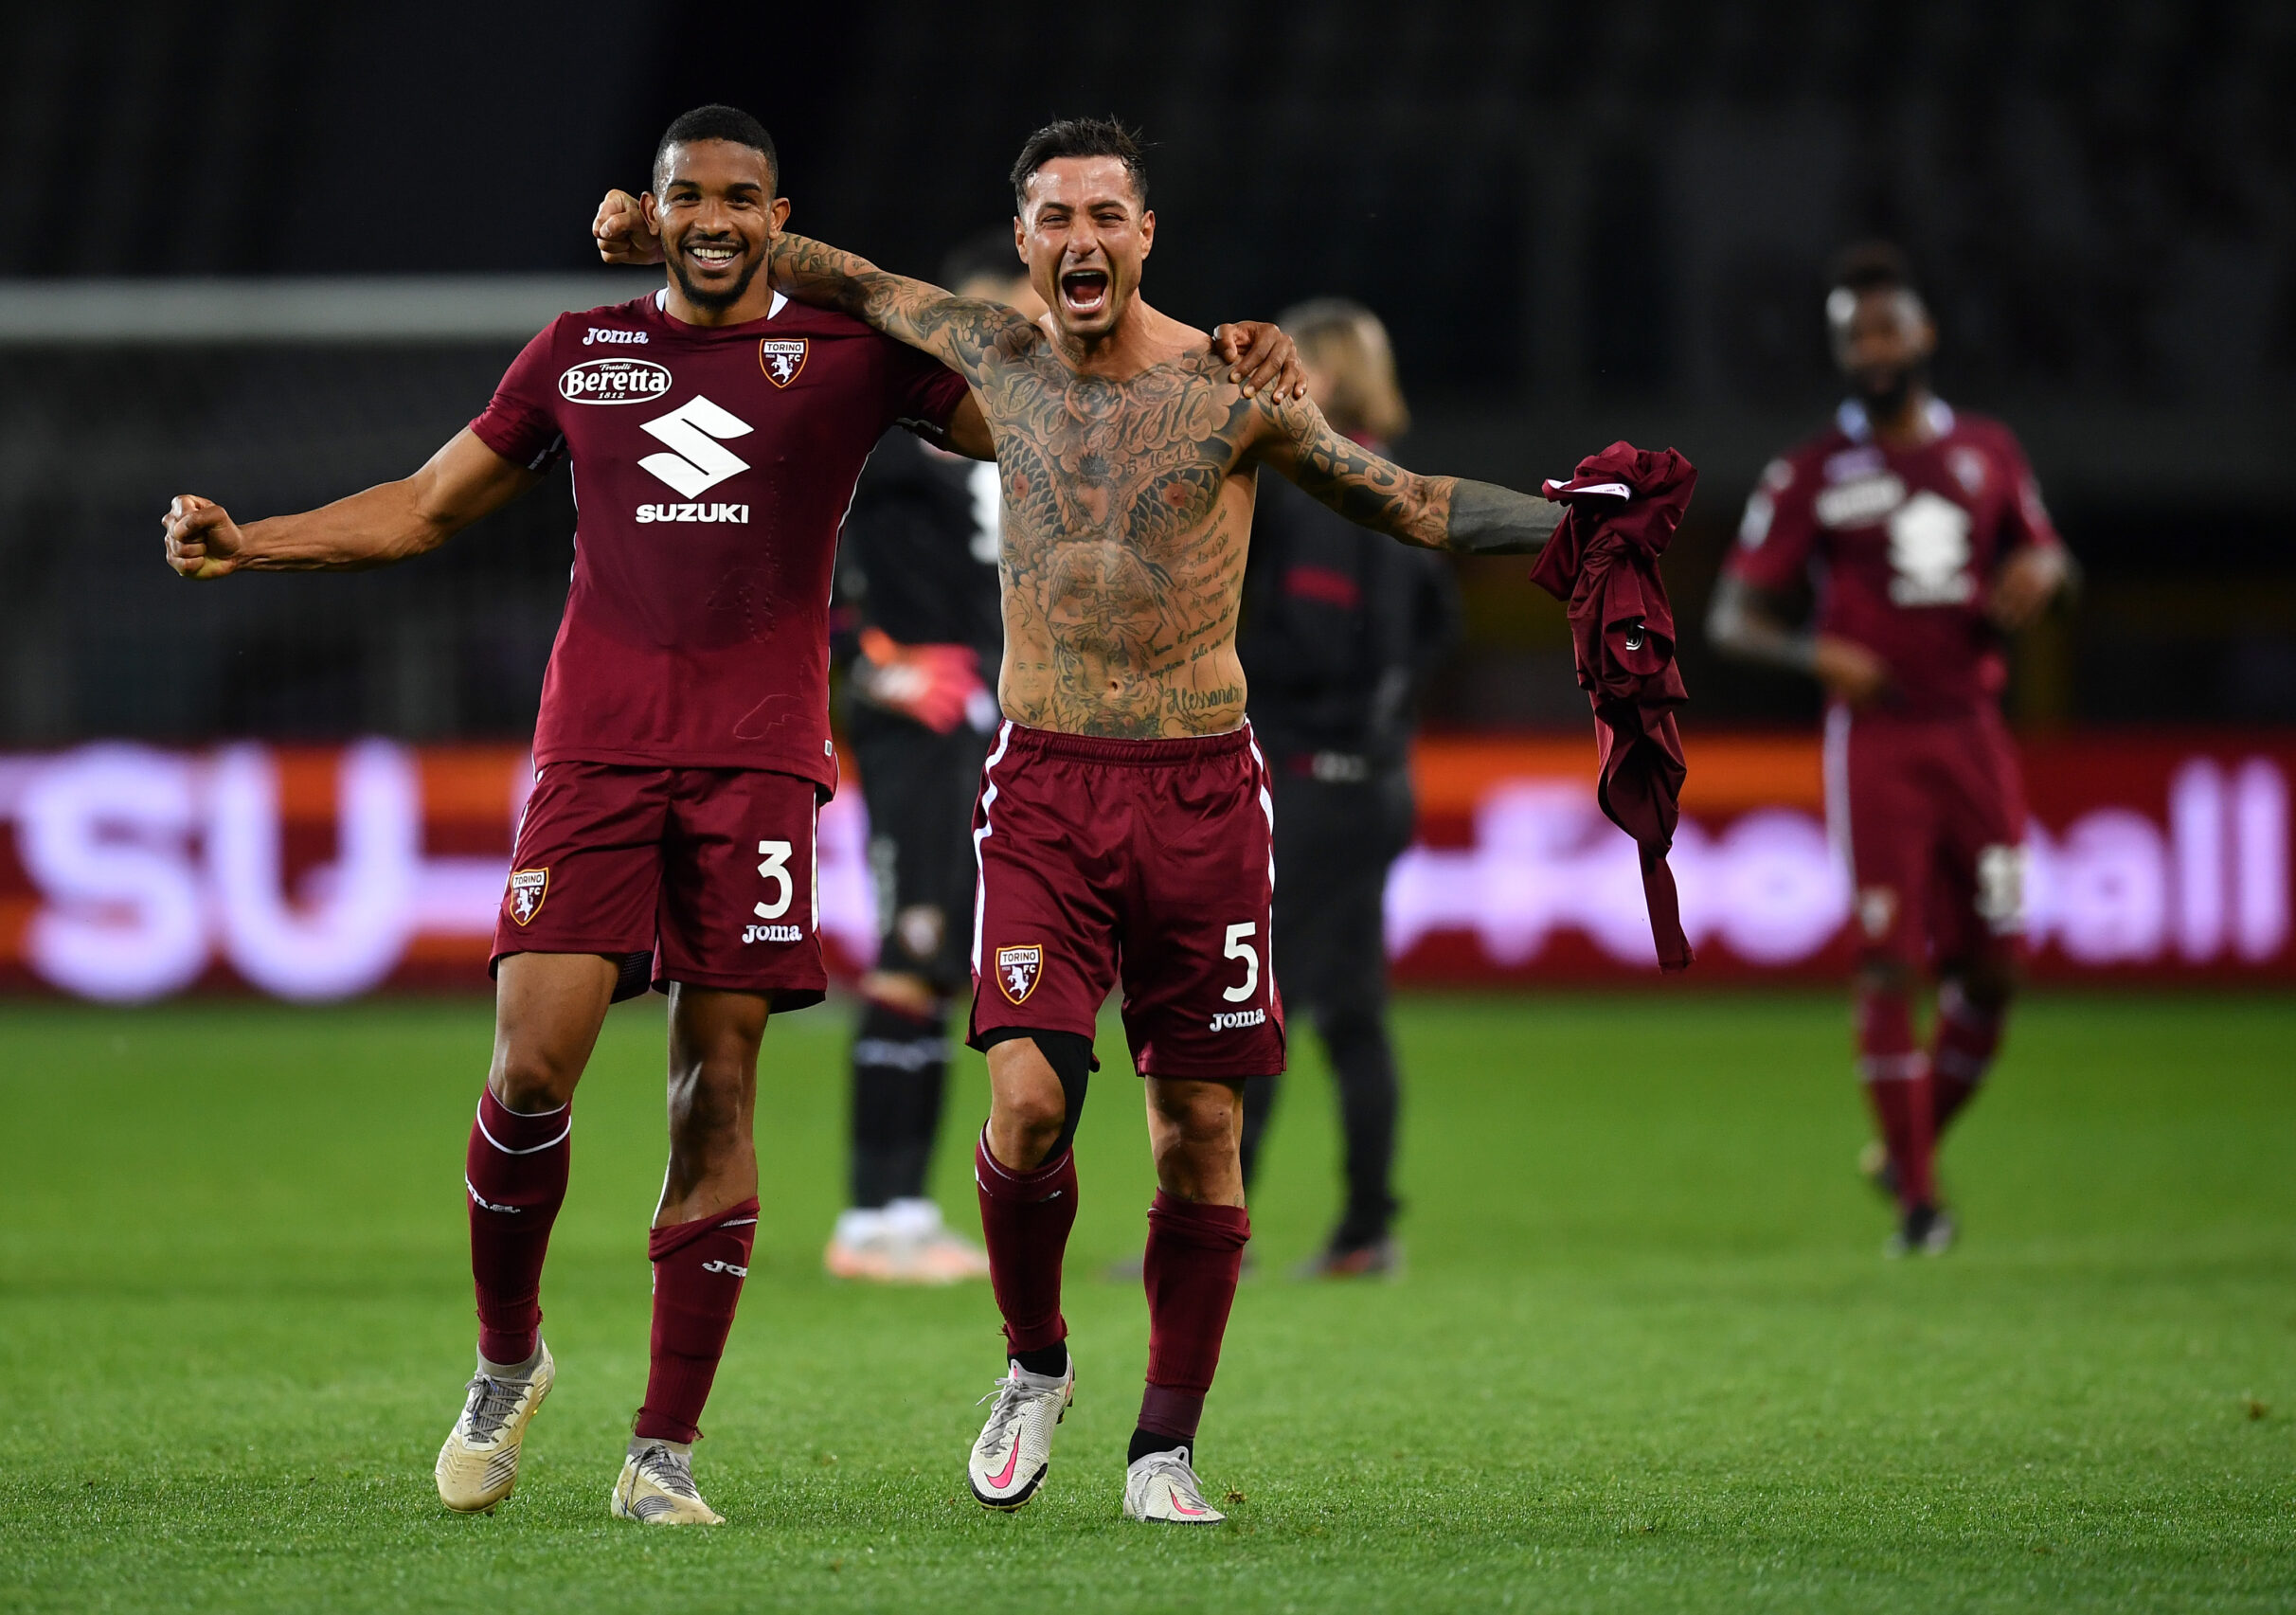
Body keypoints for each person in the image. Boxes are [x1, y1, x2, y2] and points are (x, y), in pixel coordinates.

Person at [162, 104, 1304, 1529]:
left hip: (761, 765)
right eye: (688, 196)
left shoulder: (847, 357)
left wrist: (1219, 365)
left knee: (717, 1092)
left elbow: (1064, 410)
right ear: (650, 212)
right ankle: (507, 1360)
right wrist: (252, 543)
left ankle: (663, 1450)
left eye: (740, 197)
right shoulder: (578, 350)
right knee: (531, 1069)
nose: (713, 220)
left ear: (779, 215)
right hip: (594, 753)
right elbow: (425, 504)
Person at [607, 115, 1605, 1523]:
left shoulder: (1232, 386)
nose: (1081, 239)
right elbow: (836, 273)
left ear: (1145, 235)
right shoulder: (991, 356)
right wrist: (678, 232)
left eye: (1105, 215)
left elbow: (1415, 503)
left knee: (1199, 1129)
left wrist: (1572, 524)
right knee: (1027, 1107)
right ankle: (1035, 1360)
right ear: (1024, 242)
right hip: (1044, 788)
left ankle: (1163, 1453)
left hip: (1205, 792)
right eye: (1055, 218)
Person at [1708, 242, 2072, 1258]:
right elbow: (1733, 614)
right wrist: (1812, 650)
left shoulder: (1989, 452)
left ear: (1923, 334)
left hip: (1975, 733)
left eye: (1885, 329)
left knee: (1994, 970)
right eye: (1852, 336)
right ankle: (1920, 1201)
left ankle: (1905, 1148)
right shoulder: (1813, 472)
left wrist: (2050, 570)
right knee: (1885, 964)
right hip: (1876, 743)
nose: (1871, 348)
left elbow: (2050, 559)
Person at [821, 233, 1046, 1284]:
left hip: (985, 722)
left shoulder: (1004, 434)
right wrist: (870, 666)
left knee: (946, 960)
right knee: (908, 955)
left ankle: (906, 1212)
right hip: (919, 719)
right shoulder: (893, 434)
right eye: (1009, 319)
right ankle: (870, 1218)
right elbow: (800, 542)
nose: (1026, 337)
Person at [1233, 299, 1459, 1278]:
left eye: (1292, 364)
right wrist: (1385, 703)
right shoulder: (1401, 485)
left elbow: (1316, 642)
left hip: (1309, 785)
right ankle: (1367, 1229)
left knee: (1248, 1001)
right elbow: (1441, 626)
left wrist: (1220, 664)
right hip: (1375, 779)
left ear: (1321, 377)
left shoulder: (1324, 492)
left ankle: (1213, 1230)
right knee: (1354, 1009)